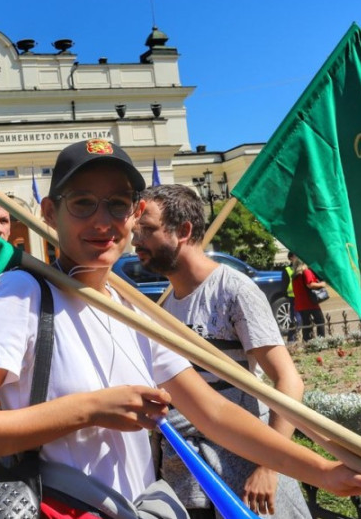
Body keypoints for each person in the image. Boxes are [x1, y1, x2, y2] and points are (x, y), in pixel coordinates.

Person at [0, 139, 361, 516]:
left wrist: (327, 471)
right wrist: (90, 408)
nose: (103, 221)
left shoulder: (130, 307)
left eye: (118, 204)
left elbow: (217, 416)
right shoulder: (21, 296)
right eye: (82, 204)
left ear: (134, 215)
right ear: (50, 213)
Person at [132, 184, 309, 518]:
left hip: (245, 479)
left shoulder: (233, 290)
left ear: (183, 231)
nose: (136, 241)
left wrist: (269, 466)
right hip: (186, 478)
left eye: (148, 231)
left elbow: (289, 381)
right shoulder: (164, 305)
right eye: (136, 231)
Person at [290, 254, 327, 341]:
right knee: (320, 321)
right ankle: (321, 341)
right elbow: (310, 284)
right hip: (310, 302)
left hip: (300, 304)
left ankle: (307, 341)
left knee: (306, 324)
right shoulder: (306, 272)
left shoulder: (294, 275)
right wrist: (322, 284)